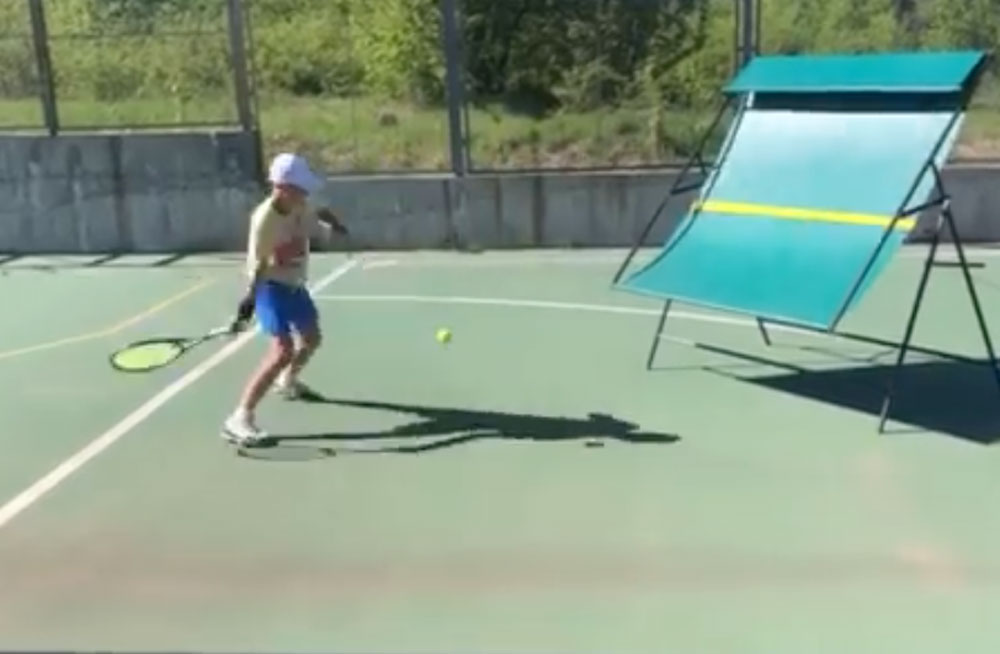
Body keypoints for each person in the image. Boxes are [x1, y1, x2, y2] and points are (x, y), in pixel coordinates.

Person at [222, 152, 348, 445]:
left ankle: (287, 380)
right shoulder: (263, 220)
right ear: (281, 187)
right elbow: (259, 265)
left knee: (312, 338)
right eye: (300, 188)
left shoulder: (300, 204)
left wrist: (335, 224)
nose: (305, 193)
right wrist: (249, 301)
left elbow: (319, 211)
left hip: (294, 285)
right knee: (282, 351)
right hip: (270, 287)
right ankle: (239, 418)